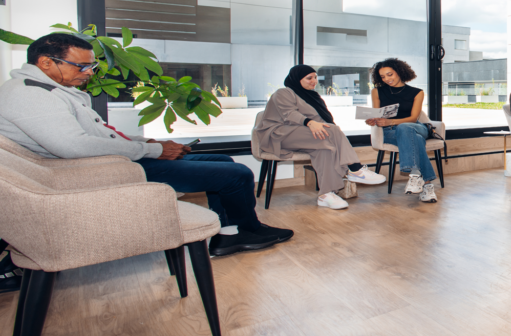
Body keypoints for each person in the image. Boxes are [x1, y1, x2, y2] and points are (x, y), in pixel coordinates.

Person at [0, 33, 292, 257]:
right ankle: (248, 230)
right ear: (46, 62)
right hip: (101, 171)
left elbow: (97, 136)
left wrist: (145, 141)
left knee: (225, 164)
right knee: (237, 174)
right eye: (82, 65)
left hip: (110, 161)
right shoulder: (31, 95)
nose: (89, 72)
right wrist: (152, 151)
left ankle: (229, 234)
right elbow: (73, 147)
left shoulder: (51, 90)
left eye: (91, 65)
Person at [256, 65, 386, 210]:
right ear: (297, 78)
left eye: (315, 77)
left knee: (325, 147)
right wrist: (310, 123)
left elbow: (325, 121)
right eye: (309, 78)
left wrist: (332, 134)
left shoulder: (313, 97)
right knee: (331, 132)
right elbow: (289, 114)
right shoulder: (284, 92)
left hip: (303, 136)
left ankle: (326, 195)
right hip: (278, 134)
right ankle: (355, 169)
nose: (314, 81)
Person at [365, 58, 438, 203]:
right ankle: (424, 183)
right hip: (390, 132)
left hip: (416, 127)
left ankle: (415, 176)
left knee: (405, 128)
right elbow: (376, 113)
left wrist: (390, 121)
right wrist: (373, 120)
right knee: (415, 140)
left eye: (389, 74)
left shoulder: (417, 92)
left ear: (399, 72)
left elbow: (412, 118)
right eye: (383, 76)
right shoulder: (377, 92)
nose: (386, 79)